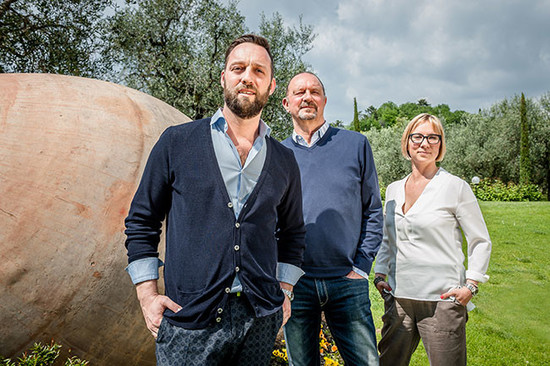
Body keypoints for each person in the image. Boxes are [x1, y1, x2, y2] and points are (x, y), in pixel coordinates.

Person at [124, 34, 306, 365]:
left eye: (258, 71)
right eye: (238, 68)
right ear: (224, 77)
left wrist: (285, 291)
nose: (247, 77)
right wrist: (147, 295)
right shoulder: (178, 142)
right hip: (189, 321)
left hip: (259, 322)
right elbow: (142, 220)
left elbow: (293, 233)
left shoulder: (283, 160)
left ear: (271, 85)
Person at [373, 113, 492, 366]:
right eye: (417, 137)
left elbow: (480, 240)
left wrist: (470, 285)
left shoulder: (455, 187)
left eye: (432, 137)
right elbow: (388, 238)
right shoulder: (394, 189)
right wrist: (380, 274)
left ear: (440, 145)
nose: (424, 143)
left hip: (442, 300)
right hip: (399, 299)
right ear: (407, 142)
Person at [281, 72, 383, 365]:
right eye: (299, 93)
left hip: (346, 281)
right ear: (287, 103)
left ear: (324, 101)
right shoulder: (276, 153)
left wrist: (362, 266)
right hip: (295, 283)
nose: (307, 97)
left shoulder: (356, 144)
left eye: (314, 91)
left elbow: (373, 210)